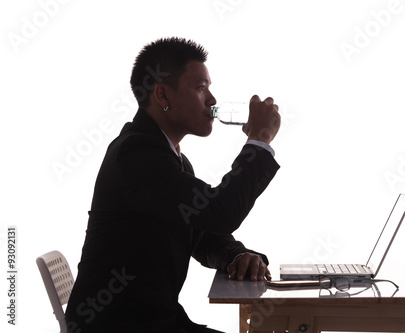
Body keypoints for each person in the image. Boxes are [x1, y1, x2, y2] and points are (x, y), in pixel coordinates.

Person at [65, 37, 281, 333]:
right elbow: (221, 211)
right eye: (200, 88)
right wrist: (259, 140)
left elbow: (203, 234)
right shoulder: (136, 155)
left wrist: (238, 255)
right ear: (163, 96)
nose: (212, 100)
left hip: (156, 322)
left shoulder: (171, 159)